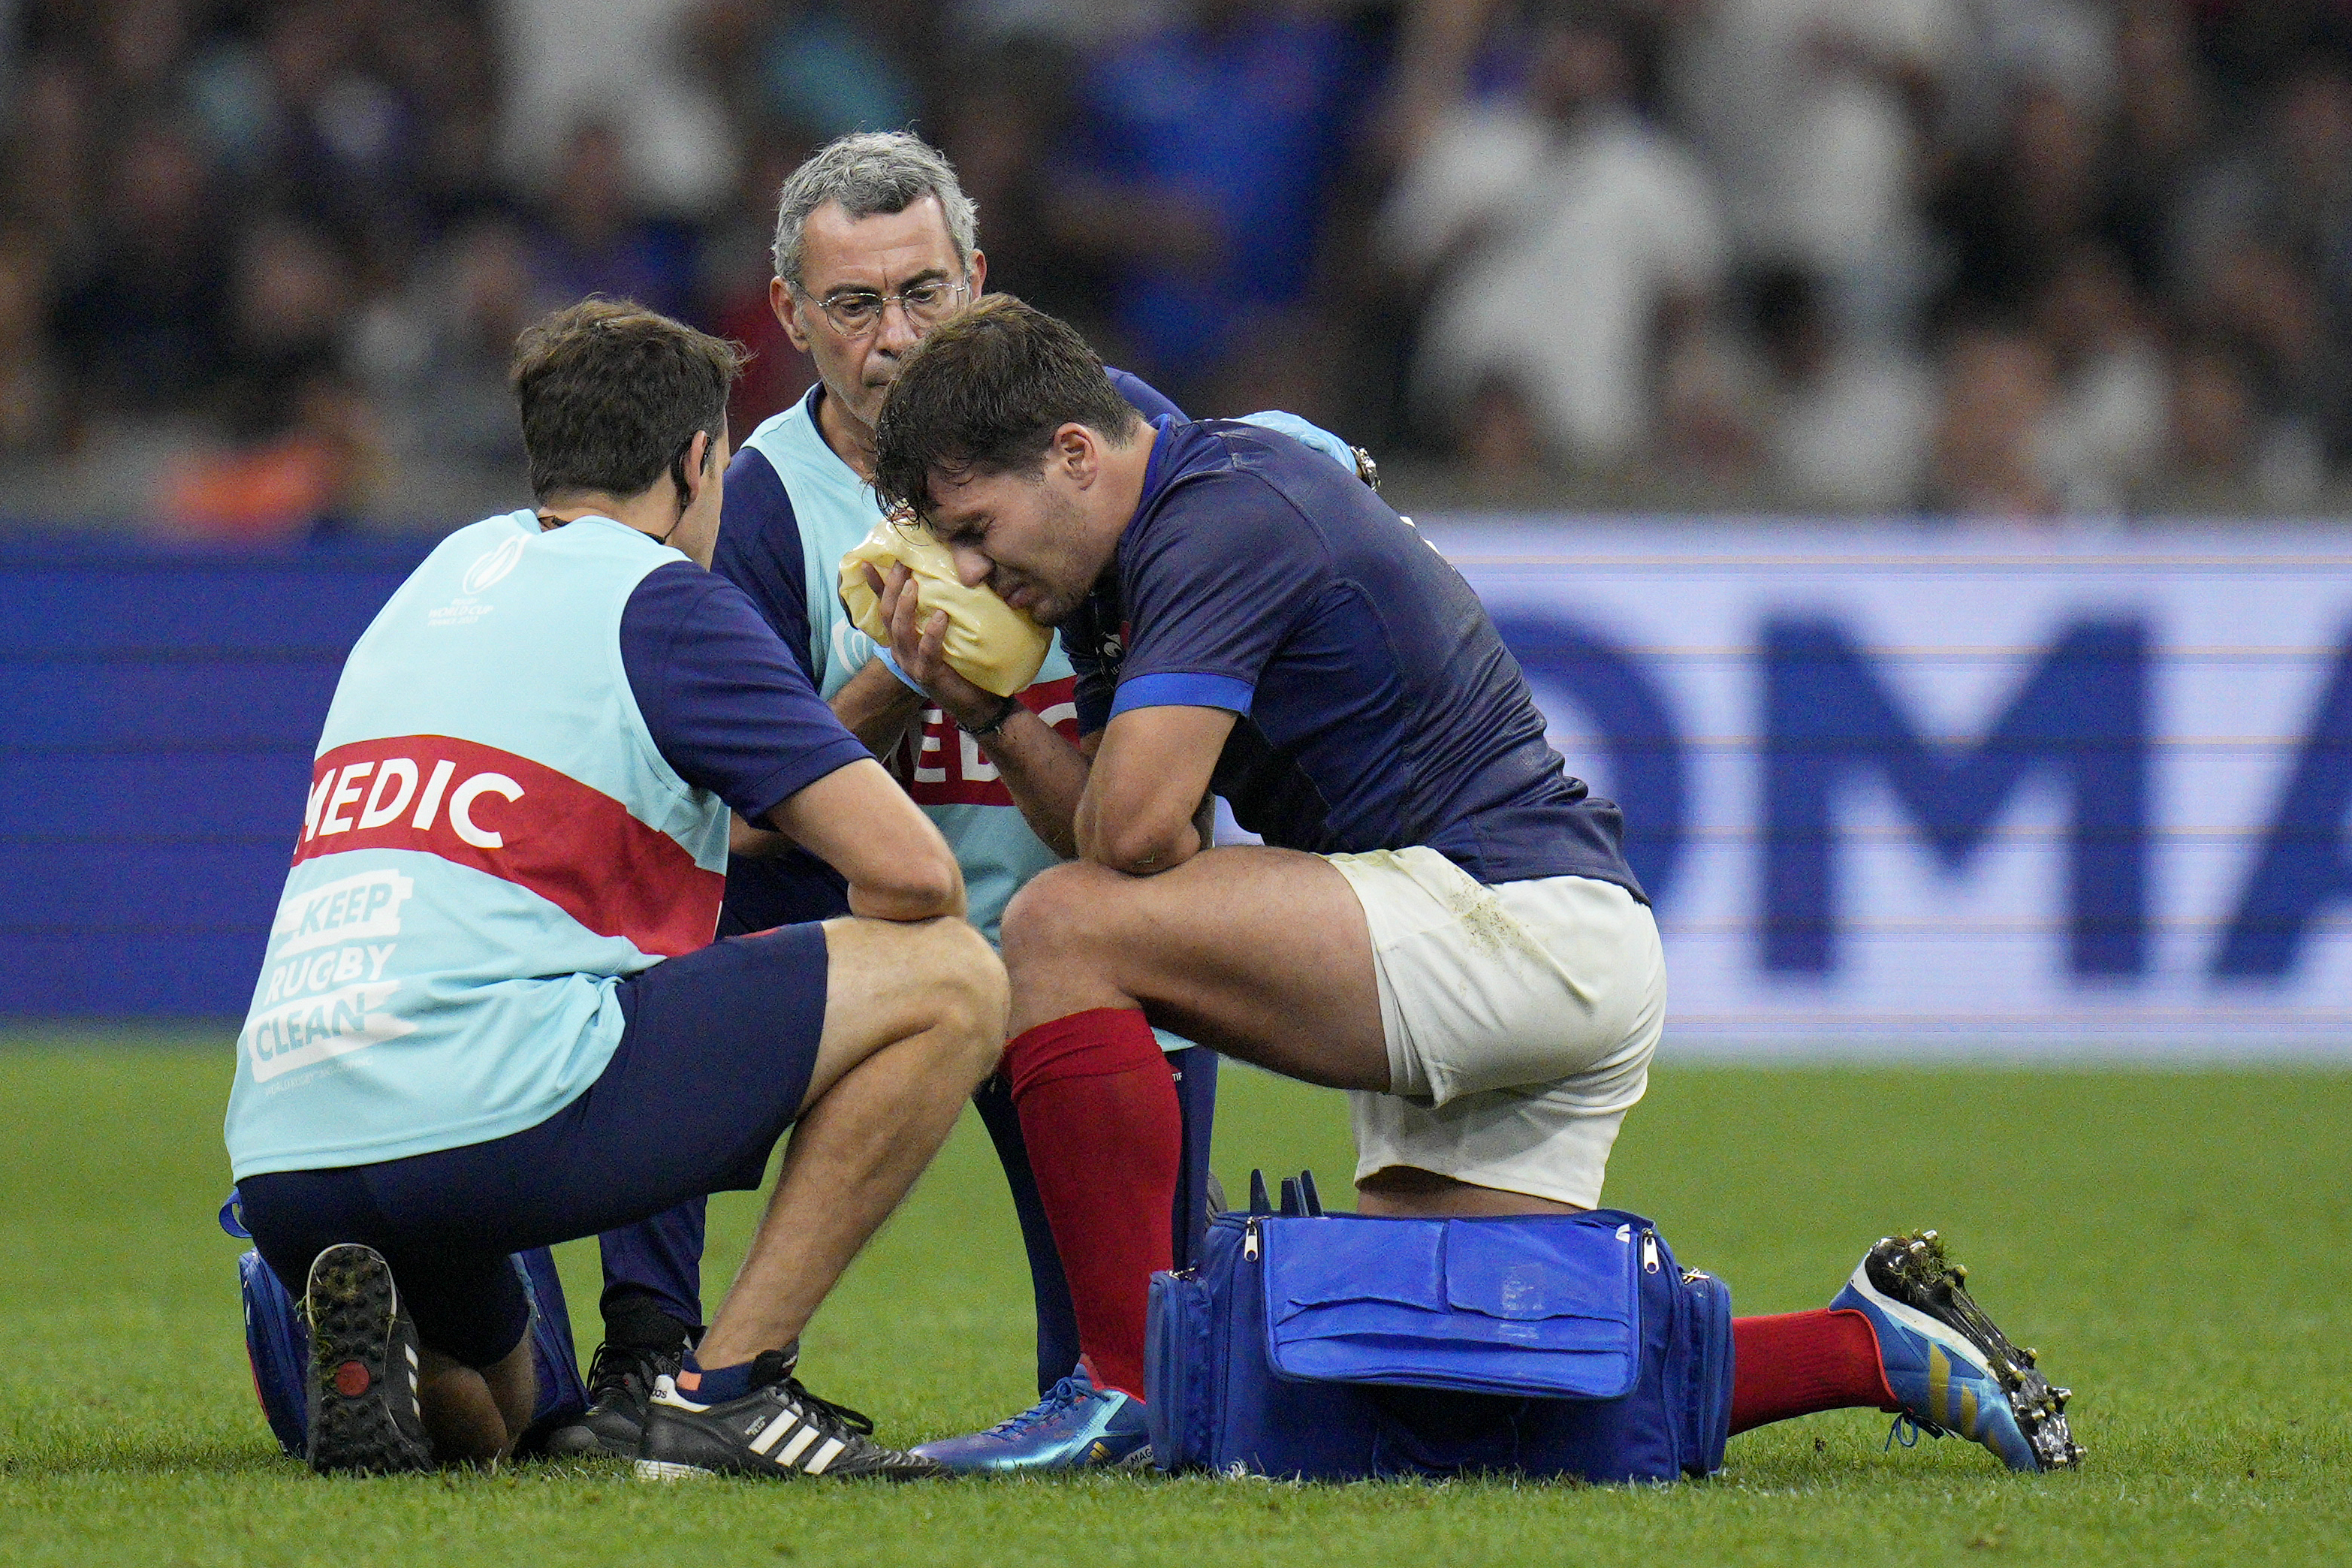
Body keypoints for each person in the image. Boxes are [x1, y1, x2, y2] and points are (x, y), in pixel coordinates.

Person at [867, 295, 2083, 1476]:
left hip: (1505, 917)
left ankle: (1121, 1393)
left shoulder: (1218, 512)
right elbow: (1156, 848)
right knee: (1435, 1384)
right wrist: (981, 706)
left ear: (1075, 455)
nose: (975, 574)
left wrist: (988, 704)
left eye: (977, 532)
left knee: (1058, 928)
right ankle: (1865, 1349)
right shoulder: (1137, 554)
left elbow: (1125, 845)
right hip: (1535, 933)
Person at [551, 131, 1367, 1470]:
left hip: (1093, 955)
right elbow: (729, 820)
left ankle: (1200, 1286)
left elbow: (1247, 500)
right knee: (663, 955)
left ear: (979, 279)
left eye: (925, 292)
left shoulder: (1091, 433)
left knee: (1139, 1398)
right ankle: (654, 1350)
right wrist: (900, 679)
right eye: (857, 305)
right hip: (874, 959)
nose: (896, 338)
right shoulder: (760, 507)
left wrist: (1318, 465)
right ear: (791, 320)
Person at [222, 298, 1006, 1480]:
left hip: (284, 1145)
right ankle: (728, 1392)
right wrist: (792, 1033)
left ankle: (362, 1343)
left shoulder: (433, 577)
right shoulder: (666, 602)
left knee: (507, 1408)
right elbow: (914, 873)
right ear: (695, 460)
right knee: (952, 977)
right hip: (483, 1109)